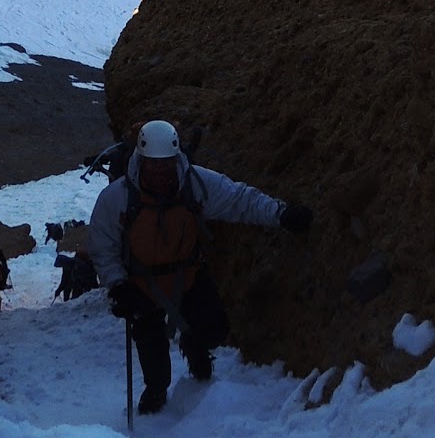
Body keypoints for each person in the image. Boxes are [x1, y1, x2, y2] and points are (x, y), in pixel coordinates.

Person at [88, 118, 312, 416]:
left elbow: (239, 200)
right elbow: (103, 246)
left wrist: (281, 214)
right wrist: (118, 285)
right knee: (151, 350)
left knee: (214, 329)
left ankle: (194, 345)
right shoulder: (116, 198)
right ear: (140, 160)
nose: (160, 171)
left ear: (176, 158)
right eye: (153, 164)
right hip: (139, 284)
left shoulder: (195, 184)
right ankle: (156, 389)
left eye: (166, 163)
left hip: (187, 275)